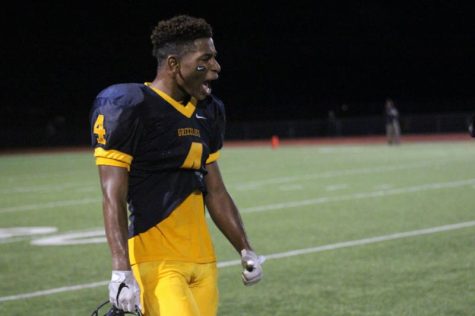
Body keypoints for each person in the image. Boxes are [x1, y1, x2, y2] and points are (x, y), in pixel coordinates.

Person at [89, 15, 264, 316]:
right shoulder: (129, 105)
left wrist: (245, 248)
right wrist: (121, 269)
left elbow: (216, 191)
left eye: (215, 58)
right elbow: (112, 194)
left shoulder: (209, 111)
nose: (216, 68)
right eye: (205, 59)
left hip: (204, 262)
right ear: (173, 64)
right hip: (156, 262)